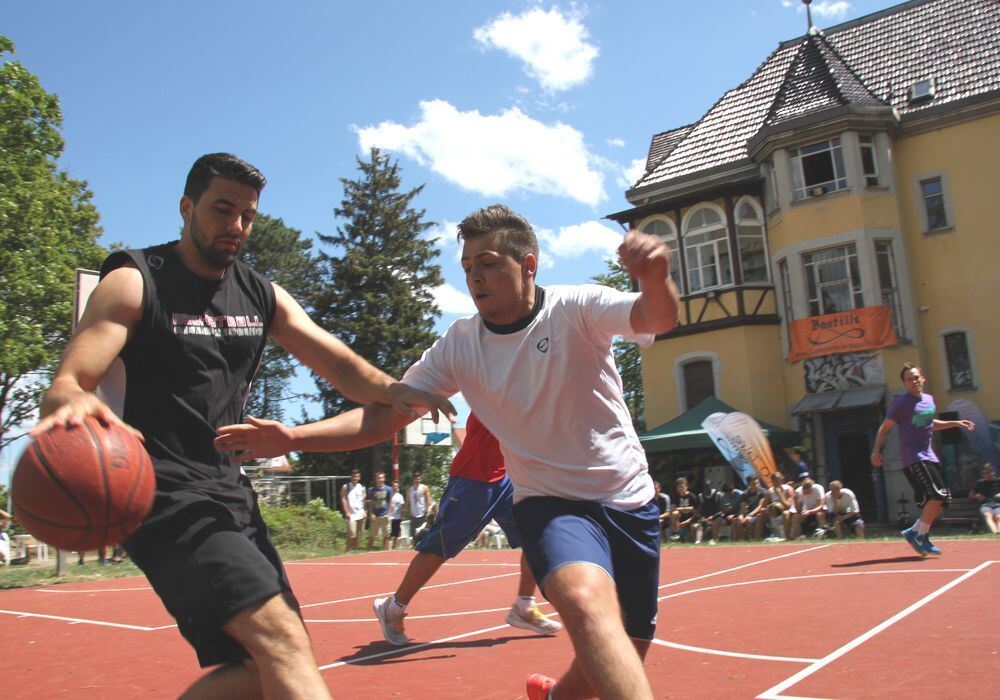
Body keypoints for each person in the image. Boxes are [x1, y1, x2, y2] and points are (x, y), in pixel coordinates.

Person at [215, 203, 679, 700]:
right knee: (585, 603)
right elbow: (384, 415)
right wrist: (293, 437)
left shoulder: (576, 307)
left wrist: (655, 279)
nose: (475, 277)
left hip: (629, 500)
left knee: (624, 648)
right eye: (468, 267)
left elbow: (656, 316)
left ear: (528, 265)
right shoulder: (460, 346)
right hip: (551, 503)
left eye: (489, 264)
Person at [33, 153, 453, 699]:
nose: (236, 224)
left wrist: (393, 389)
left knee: (260, 668)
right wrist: (70, 399)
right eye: (222, 208)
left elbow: (339, 363)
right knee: (281, 642)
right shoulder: (134, 282)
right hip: (161, 493)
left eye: (248, 215)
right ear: (187, 207)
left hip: (230, 492)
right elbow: (70, 381)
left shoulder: (261, 295)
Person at [371, 413, 561, 647]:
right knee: (439, 548)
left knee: (535, 533)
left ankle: (524, 606)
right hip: (473, 478)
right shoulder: (495, 391)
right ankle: (393, 608)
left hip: (505, 478)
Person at [871, 363, 974, 555]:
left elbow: (929, 423)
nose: (914, 381)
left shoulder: (928, 400)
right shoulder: (901, 403)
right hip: (913, 456)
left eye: (916, 377)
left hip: (929, 455)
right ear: (905, 383)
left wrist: (954, 423)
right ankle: (921, 536)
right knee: (936, 496)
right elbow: (885, 428)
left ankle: (914, 531)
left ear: (923, 378)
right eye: (909, 379)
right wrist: (876, 451)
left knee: (942, 499)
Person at [340, 470, 367, 552]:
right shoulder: (346, 487)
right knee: (352, 534)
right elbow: (343, 499)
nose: (355, 478)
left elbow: (364, 500)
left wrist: (365, 511)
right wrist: (347, 511)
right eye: (354, 476)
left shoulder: (362, 487)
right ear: (351, 477)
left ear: (359, 477)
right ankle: (347, 550)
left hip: (361, 513)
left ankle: (355, 549)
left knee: (360, 534)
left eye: (357, 476)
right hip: (351, 514)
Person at [970, 463, 1000, 535]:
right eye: (984, 474)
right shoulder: (980, 483)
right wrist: (976, 496)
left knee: (998, 517)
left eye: (988, 473)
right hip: (985, 505)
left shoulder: (998, 481)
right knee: (988, 515)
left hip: (998, 504)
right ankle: (995, 532)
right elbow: (971, 495)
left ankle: (999, 531)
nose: (987, 475)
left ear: (993, 472)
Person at [669, 476, 701, 543]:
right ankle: (676, 534)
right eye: (679, 487)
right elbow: (672, 509)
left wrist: (688, 521)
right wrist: (687, 508)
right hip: (680, 519)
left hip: (691, 519)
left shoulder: (692, 496)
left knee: (694, 528)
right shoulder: (675, 496)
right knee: (674, 513)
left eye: (682, 486)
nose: (681, 489)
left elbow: (696, 512)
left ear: (686, 486)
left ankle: (693, 540)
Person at [367, 471, 393, 550]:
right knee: (372, 535)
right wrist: (371, 513)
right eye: (378, 478)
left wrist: (389, 514)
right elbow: (370, 503)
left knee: (386, 535)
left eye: (381, 478)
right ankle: (368, 550)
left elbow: (390, 502)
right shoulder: (372, 490)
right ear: (376, 479)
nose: (380, 480)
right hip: (375, 515)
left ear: (384, 479)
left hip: (385, 515)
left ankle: (385, 551)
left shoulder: (388, 489)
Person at [739, 475, 768, 540]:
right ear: (749, 484)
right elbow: (743, 507)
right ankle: (742, 540)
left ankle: (756, 539)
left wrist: (749, 515)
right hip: (749, 514)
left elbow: (760, 506)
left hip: (760, 513)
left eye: (757, 483)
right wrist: (742, 515)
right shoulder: (745, 494)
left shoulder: (763, 492)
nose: (756, 485)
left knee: (756, 517)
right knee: (738, 520)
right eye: (754, 484)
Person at [388, 480, 405, 549]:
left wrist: (401, 516)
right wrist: (388, 515)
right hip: (390, 517)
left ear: (398, 487)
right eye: (394, 486)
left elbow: (401, 507)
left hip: (397, 517)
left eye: (396, 486)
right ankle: (388, 548)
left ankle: (394, 547)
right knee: (390, 534)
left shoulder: (400, 496)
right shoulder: (389, 495)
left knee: (396, 534)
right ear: (392, 487)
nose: (395, 487)